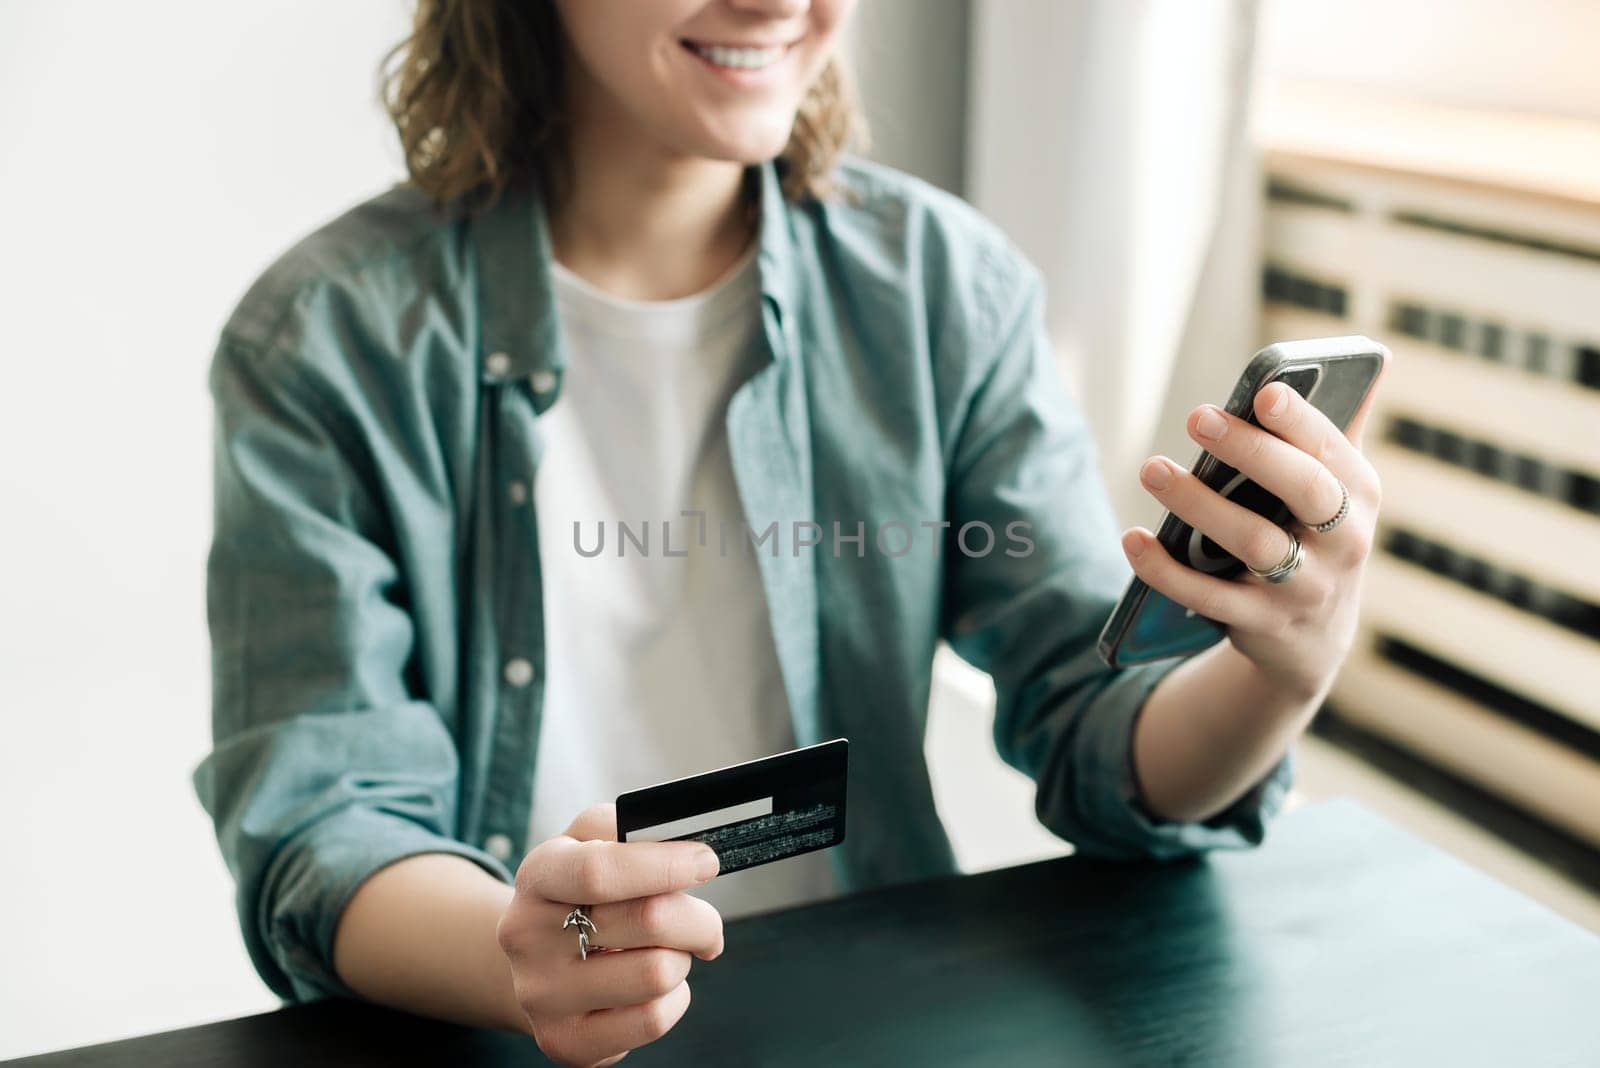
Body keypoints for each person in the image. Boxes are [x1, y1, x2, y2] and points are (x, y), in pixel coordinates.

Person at [194, 1, 1384, 1064]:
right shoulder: (327, 339)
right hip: (494, 1037)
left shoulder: (940, 289)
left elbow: (1100, 731)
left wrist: (1281, 669)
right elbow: (324, 816)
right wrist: (526, 957)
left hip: (869, 1017)